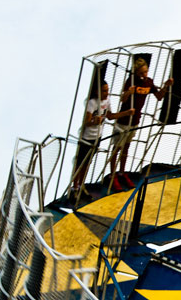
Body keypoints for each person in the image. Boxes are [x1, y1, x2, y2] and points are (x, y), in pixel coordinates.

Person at [109, 58, 174, 191]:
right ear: (136, 72)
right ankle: (113, 175)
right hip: (123, 121)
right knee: (116, 149)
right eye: (142, 73)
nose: (144, 75)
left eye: (146, 72)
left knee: (126, 148)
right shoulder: (131, 81)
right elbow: (123, 98)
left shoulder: (148, 82)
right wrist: (129, 92)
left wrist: (166, 86)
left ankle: (122, 172)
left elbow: (159, 96)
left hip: (135, 121)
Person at [70, 81, 133, 202]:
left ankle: (81, 186)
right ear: (97, 92)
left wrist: (126, 113)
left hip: (97, 137)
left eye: (107, 90)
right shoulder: (92, 103)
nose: (107, 93)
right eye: (104, 90)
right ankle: (75, 187)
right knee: (80, 163)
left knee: (87, 163)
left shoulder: (107, 101)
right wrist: (94, 121)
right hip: (87, 137)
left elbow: (110, 116)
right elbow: (86, 122)